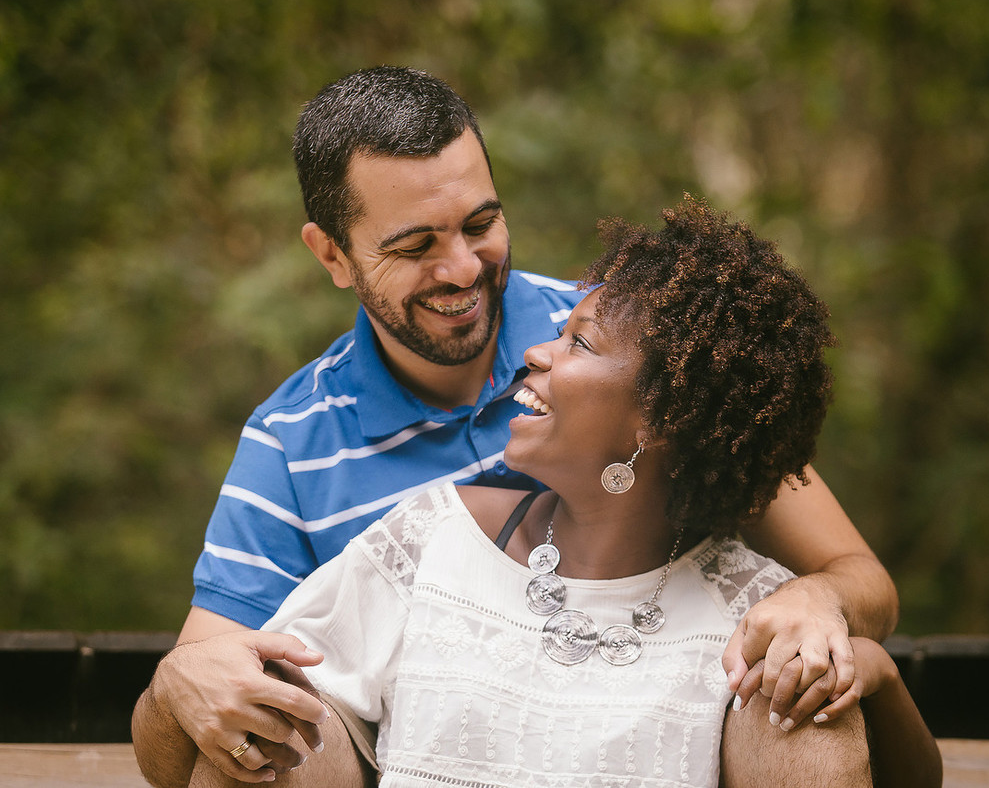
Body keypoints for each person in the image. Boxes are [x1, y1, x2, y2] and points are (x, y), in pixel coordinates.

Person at [134, 67, 899, 783]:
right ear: (332, 254)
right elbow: (203, 706)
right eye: (415, 245)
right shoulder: (293, 442)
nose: (464, 267)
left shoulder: (635, 353)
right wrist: (179, 680)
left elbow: (856, 574)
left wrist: (819, 599)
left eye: (480, 222)